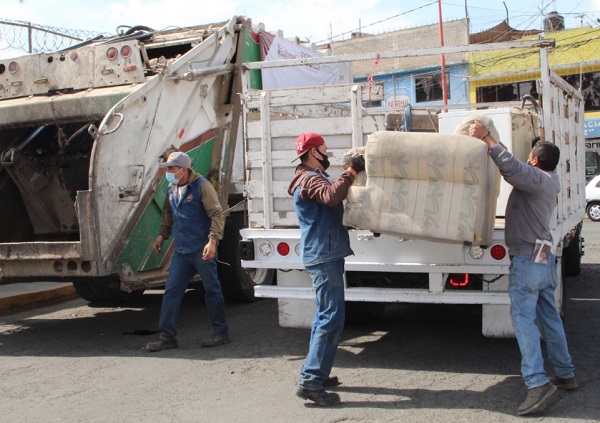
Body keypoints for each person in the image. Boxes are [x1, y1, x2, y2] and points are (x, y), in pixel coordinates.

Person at [469, 121, 577, 416]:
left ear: (535, 159)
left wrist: (486, 137)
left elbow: (512, 169)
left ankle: (537, 382)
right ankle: (565, 373)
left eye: (530, 155)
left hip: (528, 261)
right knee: (548, 317)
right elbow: (517, 168)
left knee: (523, 321)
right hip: (542, 261)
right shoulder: (550, 180)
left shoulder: (537, 179)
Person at [287, 132, 365, 406]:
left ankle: (317, 370)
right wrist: (351, 171)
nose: (327, 152)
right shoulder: (309, 179)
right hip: (323, 255)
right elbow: (332, 197)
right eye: (323, 149)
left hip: (324, 252)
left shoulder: (309, 177)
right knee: (331, 317)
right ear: (312, 153)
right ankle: (311, 381)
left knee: (324, 316)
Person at [145, 151, 230, 352]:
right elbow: (168, 213)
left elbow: (216, 214)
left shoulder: (202, 187)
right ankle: (167, 337)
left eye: (171, 169)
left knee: (212, 290)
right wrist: (162, 235)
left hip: (202, 249)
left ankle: (221, 332)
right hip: (182, 251)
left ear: (183, 170)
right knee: (172, 291)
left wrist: (212, 241)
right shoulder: (172, 187)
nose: (168, 172)